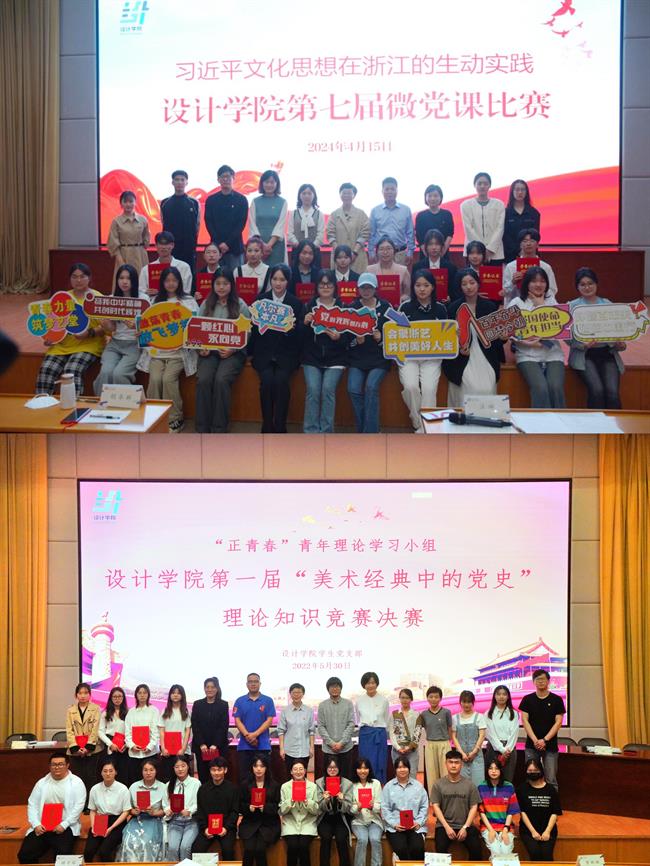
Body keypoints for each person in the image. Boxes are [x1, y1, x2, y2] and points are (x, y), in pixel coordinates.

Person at [137, 265, 199, 433]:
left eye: (174, 280)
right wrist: (140, 332)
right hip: (156, 353)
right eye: (167, 280)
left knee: (168, 379)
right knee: (155, 379)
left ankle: (175, 418)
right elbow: (145, 327)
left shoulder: (188, 301)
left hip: (179, 353)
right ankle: (154, 416)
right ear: (162, 283)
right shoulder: (154, 302)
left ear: (179, 282)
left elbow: (196, 327)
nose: (171, 284)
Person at [35, 263, 107, 396]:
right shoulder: (62, 298)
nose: (78, 280)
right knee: (46, 370)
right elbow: (53, 323)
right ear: (70, 279)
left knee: (71, 370)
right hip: (62, 346)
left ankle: (73, 405)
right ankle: (42, 403)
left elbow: (106, 328)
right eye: (74, 277)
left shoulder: (97, 297)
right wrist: (50, 338)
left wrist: (89, 333)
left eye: (82, 276)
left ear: (89, 278)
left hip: (88, 345)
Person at [249, 263, 303, 433]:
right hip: (264, 354)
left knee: (281, 381)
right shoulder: (260, 300)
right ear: (270, 280)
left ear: (288, 281)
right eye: (275, 279)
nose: (278, 283)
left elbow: (300, 335)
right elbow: (253, 330)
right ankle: (267, 423)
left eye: (282, 279)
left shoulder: (295, 303)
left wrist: (291, 329)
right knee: (266, 382)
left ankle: (280, 424)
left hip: (286, 355)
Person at [195, 267, 250, 433]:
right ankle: (202, 427)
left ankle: (219, 428)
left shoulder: (240, 305)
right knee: (204, 380)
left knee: (221, 380)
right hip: (209, 352)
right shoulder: (206, 304)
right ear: (213, 285)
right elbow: (196, 330)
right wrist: (201, 349)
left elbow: (247, 334)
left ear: (231, 285)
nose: (221, 287)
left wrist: (232, 349)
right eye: (218, 283)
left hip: (233, 353)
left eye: (225, 283)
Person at [443, 268, 504, 406]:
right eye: (464, 284)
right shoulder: (453, 308)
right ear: (460, 287)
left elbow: (496, 341)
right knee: (468, 388)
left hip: (486, 354)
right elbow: (448, 338)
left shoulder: (489, 306)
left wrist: (503, 338)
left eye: (472, 282)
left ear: (478, 283)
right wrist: (459, 349)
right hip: (462, 358)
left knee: (486, 388)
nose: (469, 287)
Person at [507, 267, 566, 409]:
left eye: (542, 281)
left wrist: (541, 306)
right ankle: (542, 422)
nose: (538, 284)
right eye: (534, 281)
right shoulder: (517, 302)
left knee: (555, 386)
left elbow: (560, 328)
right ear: (527, 283)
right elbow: (510, 331)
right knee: (540, 388)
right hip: (527, 354)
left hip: (553, 354)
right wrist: (525, 342)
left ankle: (561, 420)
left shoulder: (552, 301)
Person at [397, 271, 448, 432]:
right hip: (408, 357)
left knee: (429, 389)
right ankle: (417, 422)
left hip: (432, 358)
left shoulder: (440, 308)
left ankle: (428, 427)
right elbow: (395, 334)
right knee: (410, 386)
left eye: (426, 285)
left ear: (433, 287)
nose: (422, 289)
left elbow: (447, 334)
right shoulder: (405, 307)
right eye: (418, 285)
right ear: (413, 287)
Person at [568, 267, 626, 408]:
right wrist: (582, 344)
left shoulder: (607, 304)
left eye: (590, 283)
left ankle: (615, 422)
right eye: (582, 284)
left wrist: (620, 344)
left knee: (612, 393)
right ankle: (595, 422)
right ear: (577, 287)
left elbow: (619, 332)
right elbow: (567, 337)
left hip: (607, 353)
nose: (587, 287)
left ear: (596, 284)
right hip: (584, 355)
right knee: (597, 391)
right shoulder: (571, 306)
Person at [302, 270, 350, 434]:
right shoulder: (308, 306)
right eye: (322, 284)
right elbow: (299, 337)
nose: (325, 287)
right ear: (316, 287)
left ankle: (326, 432)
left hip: (336, 359)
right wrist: (305, 323)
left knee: (328, 390)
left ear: (335, 286)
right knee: (313, 391)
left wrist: (339, 337)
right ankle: (311, 431)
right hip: (312, 358)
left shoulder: (343, 307)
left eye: (329, 284)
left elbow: (349, 338)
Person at [17, 753, 86, 864]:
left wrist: (64, 824)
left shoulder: (76, 783)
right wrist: (36, 824)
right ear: (49, 766)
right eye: (54, 764)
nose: (57, 767)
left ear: (67, 765)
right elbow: (32, 804)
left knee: (63, 856)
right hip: (42, 826)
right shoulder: (41, 783)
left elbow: (79, 806)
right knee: (25, 854)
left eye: (60, 764)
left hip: (65, 826)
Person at [346, 272, 392, 434]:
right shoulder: (351, 308)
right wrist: (355, 340)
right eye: (363, 287)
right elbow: (345, 339)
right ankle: (363, 430)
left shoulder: (386, 307)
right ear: (358, 289)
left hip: (379, 359)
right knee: (353, 389)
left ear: (375, 288)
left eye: (369, 287)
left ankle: (371, 433)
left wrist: (381, 339)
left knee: (371, 387)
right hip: (357, 358)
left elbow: (397, 331)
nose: (366, 291)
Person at [93, 264, 147, 394]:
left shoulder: (143, 299)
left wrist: (137, 326)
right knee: (105, 372)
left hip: (134, 344)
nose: (124, 281)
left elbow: (148, 328)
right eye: (121, 278)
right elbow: (112, 329)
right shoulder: (111, 299)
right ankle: (101, 402)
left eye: (128, 278)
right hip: (115, 343)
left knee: (119, 374)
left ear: (134, 280)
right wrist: (106, 324)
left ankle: (127, 403)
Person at [430, 749, 482, 860]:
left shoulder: (470, 785)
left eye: (456, 762)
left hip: (466, 825)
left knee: (477, 850)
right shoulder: (438, 784)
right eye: (450, 762)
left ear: (461, 764)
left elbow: (474, 807)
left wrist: (465, 827)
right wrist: (447, 827)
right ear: (446, 764)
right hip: (444, 826)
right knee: (440, 850)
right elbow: (436, 806)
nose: (453, 765)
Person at [519, 669, 566, 789]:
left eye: (543, 679)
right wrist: (536, 741)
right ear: (533, 682)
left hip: (550, 746)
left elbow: (558, 722)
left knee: (551, 779)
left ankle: (552, 801)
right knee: (530, 777)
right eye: (537, 679)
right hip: (531, 746)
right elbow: (525, 721)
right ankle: (530, 801)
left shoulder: (557, 700)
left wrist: (544, 740)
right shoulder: (527, 699)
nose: (540, 681)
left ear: (548, 681)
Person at [118, 758, 167, 861]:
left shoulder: (163, 787)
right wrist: (134, 811)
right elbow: (128, 808)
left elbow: (165, 810)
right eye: (145, 770)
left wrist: (154, 813)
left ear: (156, 771)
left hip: (154, 820)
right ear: (141, 771)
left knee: (146, 842)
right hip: (137, 819)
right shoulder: (134, 786)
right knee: (128, 840)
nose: (148, 773)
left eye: (151, 770)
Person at [380, 756, 428, 860]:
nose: (402, 770)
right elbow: (385, 808)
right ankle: (397, 859)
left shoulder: (418, 786)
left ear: (409, 769)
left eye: (405, 767)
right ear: (395, 769)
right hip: (395, 827)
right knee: (401, 849)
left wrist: (418, 822)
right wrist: (394, 824)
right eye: (399, 767)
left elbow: (424, 806)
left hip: (415, 826)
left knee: (417, 848)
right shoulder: (388, 787)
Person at [191, 756, 240, 858]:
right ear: (210, 771)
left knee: (228, 850)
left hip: (226, 828)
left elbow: (234, 812)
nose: (216, 773)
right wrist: (205, 828)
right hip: (208, 828)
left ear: (225, 770)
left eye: (219, 770)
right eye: (213, 770)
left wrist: (226, 828)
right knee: (196, 849)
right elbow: (200, 811)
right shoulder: (203, 789)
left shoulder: (233, 789)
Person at [238, 754, 281, 866]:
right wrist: (249, 808)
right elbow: (240, 805)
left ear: (266, 768)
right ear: (252, 768)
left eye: (262, 766)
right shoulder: (245, 784)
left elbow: (278, 806)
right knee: (249, 849)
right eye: (255, 766)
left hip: (268, 823)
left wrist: (265, 808)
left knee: (260, 850)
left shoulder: (274, 785)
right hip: (250, 822)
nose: (258, 769)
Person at [204, 164, 249, 270]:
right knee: (216, 277)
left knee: (235, 276)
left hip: (235, 247)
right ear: (218, 179)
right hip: (216, 248)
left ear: (233, 178)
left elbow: (241, 224)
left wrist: (227, 243)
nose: (225, 179)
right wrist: (219, 243)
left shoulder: (241, 199)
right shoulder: (211, 200)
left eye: (228, 176)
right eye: (222, 177)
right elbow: (209, 222)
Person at [85, 760, 131, 862]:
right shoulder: (95, 789)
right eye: (105, 771)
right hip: (100, 820)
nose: (108, 774)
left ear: (116, 772)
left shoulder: (123, 789)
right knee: (88, 851)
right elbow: (92, 810)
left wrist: (111, 828)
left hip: (117, 822)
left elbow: (126, 811)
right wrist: (93, 826)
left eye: (111, 771)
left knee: (104, 851)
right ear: (101, 773)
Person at [516, 757, 562, 861]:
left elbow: (555, 812)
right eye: (530, 770)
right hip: (528, 831)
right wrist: (533, 832)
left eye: (535, 770)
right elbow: (522, 813)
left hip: (548, 829)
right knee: (535, 853)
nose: (533, 773)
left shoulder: (551, 789)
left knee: (547, 856)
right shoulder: (521, 789)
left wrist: (547, 831)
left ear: (541, 770)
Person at [233, 673, 277, 779]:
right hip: (244, 746)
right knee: (245, 777)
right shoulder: (239, 701)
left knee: (264, 777)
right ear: (247, 684)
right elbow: (237, 720)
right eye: (250, 682)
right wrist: (247, 735)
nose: (253, 684)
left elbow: (269, 721)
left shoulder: (268, 700)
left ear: (260, 684)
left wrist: (255, 735)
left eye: (256, 681)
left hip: (263, 746)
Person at [65, 682, 103, 801]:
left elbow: (95, 729)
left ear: (90, 695)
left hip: (92, 750)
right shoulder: (70, 710)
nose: (83, 696)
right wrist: (76, 748)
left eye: (86, 693)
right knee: (77, 778)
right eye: (80, 693)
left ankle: (90, 803)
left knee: (91, 777)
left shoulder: (96, 709)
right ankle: (79, 803)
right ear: (76, 695)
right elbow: (69, 730)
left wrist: (88, 747)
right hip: (75, 750)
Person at [191, 676, 231, 784]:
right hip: (202, 748)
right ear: (204, 688)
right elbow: (195, 725)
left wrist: (215, 744)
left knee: (218, 774)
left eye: (212, 687)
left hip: (218, 747)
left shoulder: (223, 705)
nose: (210, 689)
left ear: (217, 689)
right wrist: (201, 744)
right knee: (203, 775)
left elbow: (223, 726)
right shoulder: (197, 704)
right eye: (207, 687)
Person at [477, 759, 520, 859]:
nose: (493, 771)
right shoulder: (481, 787)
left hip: (506, 827)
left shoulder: (509, 786)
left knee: (506, 852)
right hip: (488, 827)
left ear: (501, 770)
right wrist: (491, 830)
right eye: (490, 768)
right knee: (496, 852)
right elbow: (481, 811)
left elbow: (511, 811)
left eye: (496, 768)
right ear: (487, 771)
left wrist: (505, 829)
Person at [280, 759, 319, 866]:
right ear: (291, 772)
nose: (298, 772)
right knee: (292, 846)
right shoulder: (285, 786)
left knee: (303, 846)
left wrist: (307, 802)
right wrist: (291, 801)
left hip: (308, 823)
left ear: (305, 771)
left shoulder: (313, 786)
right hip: (290, 824)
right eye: (295, 769)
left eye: (301, 769)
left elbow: (316, 810)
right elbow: (282, 811)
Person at [315, 757, 354, 866]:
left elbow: (349, 808)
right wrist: (325, 801)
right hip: (325, 817)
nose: (332, 770)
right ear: (326, 768)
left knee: (341, 838)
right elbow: (318, 807)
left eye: (335, 767)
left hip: (341, 817)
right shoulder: (319, 783)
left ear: (339, 768)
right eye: (330, 767)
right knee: (325, 837)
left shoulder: (347, 783)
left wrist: (342, 801)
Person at [502, 228, 558, 303]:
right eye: (525, 241)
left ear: (537, 244)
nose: (528, 244)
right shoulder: (511, 267)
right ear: (520, 245)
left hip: (539, 305)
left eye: (532, 241)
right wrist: (513, 282)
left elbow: (552, 290)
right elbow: (504, 293)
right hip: (517, 306)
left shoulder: (545, 267)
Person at [460, 172, 506, 263]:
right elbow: (468, 229)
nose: (482, 186)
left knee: (493, 273)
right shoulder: (465, 205)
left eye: (485, 183)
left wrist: (489, 249)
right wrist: (480, 249)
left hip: (495, 253)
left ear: (490, 185)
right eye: (479, 183)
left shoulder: (499, 204)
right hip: (473, 252)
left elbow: (500, 228)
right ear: (475, 185)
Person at [160, 169, 200, 273]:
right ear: (172, 182)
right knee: (170, 276)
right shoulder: (165, 203)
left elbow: (197, 226)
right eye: (177, 180)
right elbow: (163, 223)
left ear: (186, 182)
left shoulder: (194, 203)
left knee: (189, 275)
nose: (179, 182)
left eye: (182, 180)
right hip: (171, 248)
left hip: (188, 248)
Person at [107, 190, 150, 284]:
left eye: (131, 201)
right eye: (125, 201)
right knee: (124, 282)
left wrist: (143, 249)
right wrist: (121, 261)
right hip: (124, 255)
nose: (128, 204)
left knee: (142, 281)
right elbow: (113, 244)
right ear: (121, 204)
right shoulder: (116, 221)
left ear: (135, 202)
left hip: (140, 255)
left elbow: (146, 238)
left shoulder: (143, 220)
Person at [368, 177, 415, 265]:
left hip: (400, 254)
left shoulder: (406, 210)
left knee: (401, 274)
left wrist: (410, 252)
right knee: (381, 275)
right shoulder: (375, 211)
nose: (390, 192)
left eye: (392, 189)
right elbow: (371, 234)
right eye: (387, 189)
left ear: (397, 191)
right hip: (381, 254)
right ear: (382, 191)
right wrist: (371, 252)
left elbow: (410, 233)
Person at [317, 677, 356, 781]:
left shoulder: (348, 704)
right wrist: (331, 743)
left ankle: (345, 793)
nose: (335, 689)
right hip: (329, 749)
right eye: (332, 687)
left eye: (337, 686)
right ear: (328, 689)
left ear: (341, 688)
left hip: (346, 748)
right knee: (330, 779)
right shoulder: (322, 705)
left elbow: (351, 724)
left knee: (346, 778)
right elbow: (321, 726)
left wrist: (341, 743)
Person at [326, 183, 370, 273]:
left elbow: (365, 233)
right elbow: (330, 234)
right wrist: (340, 254)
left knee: (357, 279)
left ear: (354, 195)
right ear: (340, 195)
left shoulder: (361, 214)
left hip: (357, 256)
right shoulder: (334, 214)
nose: (346, 195)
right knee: (339, 280)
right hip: (338, 258)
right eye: (344, 193)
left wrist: (355, 252)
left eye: (349, 193)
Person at [164, 755, 201, 861]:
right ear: (173, 768)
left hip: (191, 821)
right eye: (177, 767)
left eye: (183, 766)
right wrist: (168, 810)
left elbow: (198, 803)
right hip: (175, 821)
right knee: (172, 848)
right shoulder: (169, 785)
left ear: (188, 766)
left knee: (185, 847)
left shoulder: (195, 783)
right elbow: (165, 804)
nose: (180, 769)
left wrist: (189, 811)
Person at [355, 672, 389, 784]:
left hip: (379, 734)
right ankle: (365, 788)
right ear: (364, 685)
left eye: (373, 683)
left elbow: (386, 719)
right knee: (365, 763)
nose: (370, 685)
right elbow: (358, 719)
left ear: (377, 684)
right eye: (368, 683)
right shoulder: (359, 701)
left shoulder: (384, 700)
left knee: (380, 762)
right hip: (365, 735)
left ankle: (378, 788)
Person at [249, 169, 288, 266]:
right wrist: (262, 244)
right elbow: (252, 224)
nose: (269, 185)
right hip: (258, 245)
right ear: (262, 183)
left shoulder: (283, 202)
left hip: (277, 245)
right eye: (266, 182)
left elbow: (280, 226)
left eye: (272, 182)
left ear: (277, 184)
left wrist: (269, 245)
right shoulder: (255, 201)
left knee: (277, 272)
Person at [124, 683, 160, 786]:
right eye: (139, 693)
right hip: (134, 753)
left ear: (148, 695)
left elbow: (155, 732)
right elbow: (127, 732)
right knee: (135, 782)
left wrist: (149, 746)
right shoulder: (131, 712)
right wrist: (132, 745)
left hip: (150, 753)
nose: (142, 695)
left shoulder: (154, 710)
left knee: (150, 781)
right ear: (136, 695)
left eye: (145, 693)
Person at [349, 758, 383, 866]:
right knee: (362, 840)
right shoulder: (351, 785)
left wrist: (373, 806)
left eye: (365, 768)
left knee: (375, 839)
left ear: (369, 769)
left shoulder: (376, 783)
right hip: (358, 821)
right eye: (359, 768)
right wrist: (357, 808)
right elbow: (350, 809)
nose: (362, 771)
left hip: (374, 821)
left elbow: (380, 805)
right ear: (355, 770)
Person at [138, 231, 193, 297]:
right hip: (153, 301)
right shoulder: (146, 269)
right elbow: (141, 292)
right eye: (161, 244)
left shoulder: (184, 267)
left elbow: (186, 291)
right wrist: (146, 292)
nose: (163, 247)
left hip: (177, 301)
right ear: (156, 246)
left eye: (166, 244)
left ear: (172, 245)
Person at [278, 683, 315, 778]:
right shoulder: (285, 711)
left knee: (303, 776)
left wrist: (311, 747)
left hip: (304, 750)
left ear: (303, 694)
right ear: (290, 694)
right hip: (289, 750)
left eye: (299, 692)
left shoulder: (309, 711)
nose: (296, 695)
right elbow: (281, 731)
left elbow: (311, 731)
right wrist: (282, 748)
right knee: (289, 776)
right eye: (294, 692)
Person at [484, 685, 520, 783]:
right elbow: (490, 734)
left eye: (504, 694)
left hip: (510, 750)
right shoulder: (488, 713)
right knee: (492, 780)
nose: (501, 696)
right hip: (493, 749)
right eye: (498, 694)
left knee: (508, 779)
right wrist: (502, 749)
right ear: (494, 696)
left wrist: (507, 750)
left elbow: (514, 733)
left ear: (508, 696)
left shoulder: (514, 713)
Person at [451, 690, 487, 787]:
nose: (466, 704)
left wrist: (474, 752)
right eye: (464, 702)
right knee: (462, 785)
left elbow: (482, 735)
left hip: (476, 756)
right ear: (460, 702)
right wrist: (461, 753)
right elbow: (454, 737)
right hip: (461, 756)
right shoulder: (454, 718)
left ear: (473, 702)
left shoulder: (479, 717)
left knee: (478, 784)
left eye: (469, 702)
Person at [421, 685, 452, 792]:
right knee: (431, 774)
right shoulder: (424, 714)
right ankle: (434, 798)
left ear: (440, 698)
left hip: (444, 744)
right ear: (427, 698)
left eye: (436, 697)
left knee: (446, 773)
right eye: (431, 697)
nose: (433, 699)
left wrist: (448, 741)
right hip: (430, 744)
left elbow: (450, 728)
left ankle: (447, 796)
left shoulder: (446, 712)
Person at [158, 684, 192, 782]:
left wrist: (183, 749)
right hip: (167, 751)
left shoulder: (186, 712)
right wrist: (163, 748)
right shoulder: (165, 711)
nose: (175, 695)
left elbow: (187, 731)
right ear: (170, 695)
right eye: (173, 693)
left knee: (182, 778)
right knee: (167, 778)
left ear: (182, 695)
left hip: (182, 751)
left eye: (178, 693)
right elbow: (161, 731)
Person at [414, 228, 458, 302]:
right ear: (426, 247)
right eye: (430, 244)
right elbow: (413, 289)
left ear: (442, 246)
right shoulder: (418, 267)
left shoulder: (451, 268)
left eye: (437, 244)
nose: (434, 247)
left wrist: (450, 297)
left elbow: (455, 291)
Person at [503, 179, 541, 263]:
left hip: (530, 254)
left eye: (523, 189)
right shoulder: (505, 213)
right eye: (517, 189)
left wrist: (525, 249)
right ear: (512, 192)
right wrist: (518, 250)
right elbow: (505, 236)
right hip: (510, 255)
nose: (520, 192)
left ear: (526, 192)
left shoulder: (534, 213)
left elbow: (535, 235)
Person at [388, 688, 422, 779]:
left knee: (412, 774)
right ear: (399, 698)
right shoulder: (394, 714)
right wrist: (398, 748)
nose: (405, 700)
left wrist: (409, 747)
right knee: (398, 776)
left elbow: (417, 733)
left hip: (412, 751)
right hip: (397, 751)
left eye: (407, 698)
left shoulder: (417, 715)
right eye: (402, 697)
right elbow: (391, 732)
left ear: (411, 699)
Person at [99, 687, 129, 784]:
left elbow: (131, 731)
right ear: (111, 698)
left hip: (124, 746)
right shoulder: (105, 713)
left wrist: (127, 744)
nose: (117, 699)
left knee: (123, 773)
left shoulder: (128, 713)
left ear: (123, 698)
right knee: (110, 772)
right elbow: (100, 731)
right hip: (110, 744)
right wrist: (110, 744)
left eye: (120, 696)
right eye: (115, 697)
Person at [367, 235, 411, 301]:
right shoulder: (369, 270)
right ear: (377, 252)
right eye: (381, 249)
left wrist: (402, 298)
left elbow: (407, 294)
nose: (385, 252)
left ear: (394, 251)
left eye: (388, 249)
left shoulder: (403, 270)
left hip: (397, 305)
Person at [288, 184, 325, 260]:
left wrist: (311, 248)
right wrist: (299, 247)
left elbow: (321, 234)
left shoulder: (319, 214)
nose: (306, 196)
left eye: (309, 193)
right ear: (299, 196)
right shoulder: (293, 213)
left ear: (314, 195)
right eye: (304, 193)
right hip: (297, 251)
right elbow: (290, 233)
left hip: (314, 251)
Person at [415, 184, 455, 254]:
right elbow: (419, 237)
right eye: (429, 196)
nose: (432, 199)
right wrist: (426, 254)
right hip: (425, 254)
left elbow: (450, 234)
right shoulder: (420, 216)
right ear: (425, 198)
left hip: (443, 253)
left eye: (435, 196)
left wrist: (442, 252)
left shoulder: (447, 214)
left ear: (441, 197)